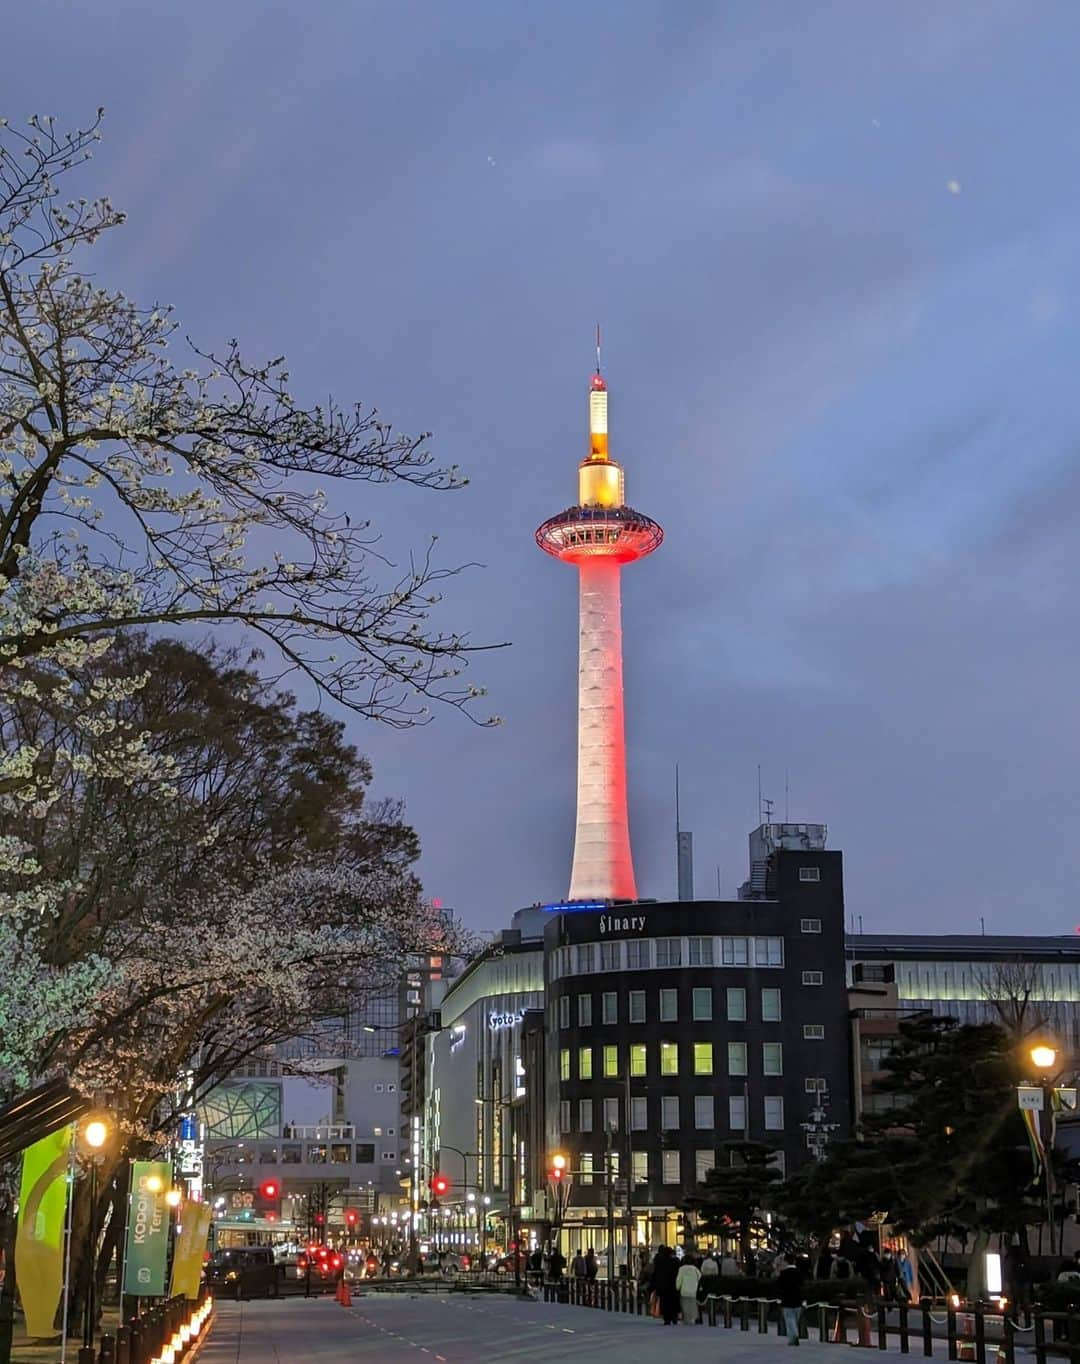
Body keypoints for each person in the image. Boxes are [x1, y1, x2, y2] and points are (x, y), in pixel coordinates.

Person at [776, 1254, 806, 1346]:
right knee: (795, 1319)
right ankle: (793, 1336)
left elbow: (779, 1287)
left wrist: (779, 1299)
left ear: (786, 1261)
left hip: (787, 1300)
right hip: (798, 1299)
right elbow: (803, 1287)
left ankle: (793, 1336)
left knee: (789, 1319)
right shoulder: (800, 1272)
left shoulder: (783, 1273)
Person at [652, 1245, 680, 1326]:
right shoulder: (675, 1262)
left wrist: (655, 1285)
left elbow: (656, 1274)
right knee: (673, 1301)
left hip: (663, 1285)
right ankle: (674, 1316)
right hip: (673, 1285)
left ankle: (667, 1318)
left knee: (664, 1302)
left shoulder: (660, 1262)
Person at [676, 1255, 701, 1324]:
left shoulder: (682, 1269)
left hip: (684, 1290)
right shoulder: (695, 1269)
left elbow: (679, 1279)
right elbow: (699, 1277)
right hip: (693, 1290)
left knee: (685, 1305)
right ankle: (693, 1318)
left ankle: (687, 1319)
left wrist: (677, 1287)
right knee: (693, 1304)